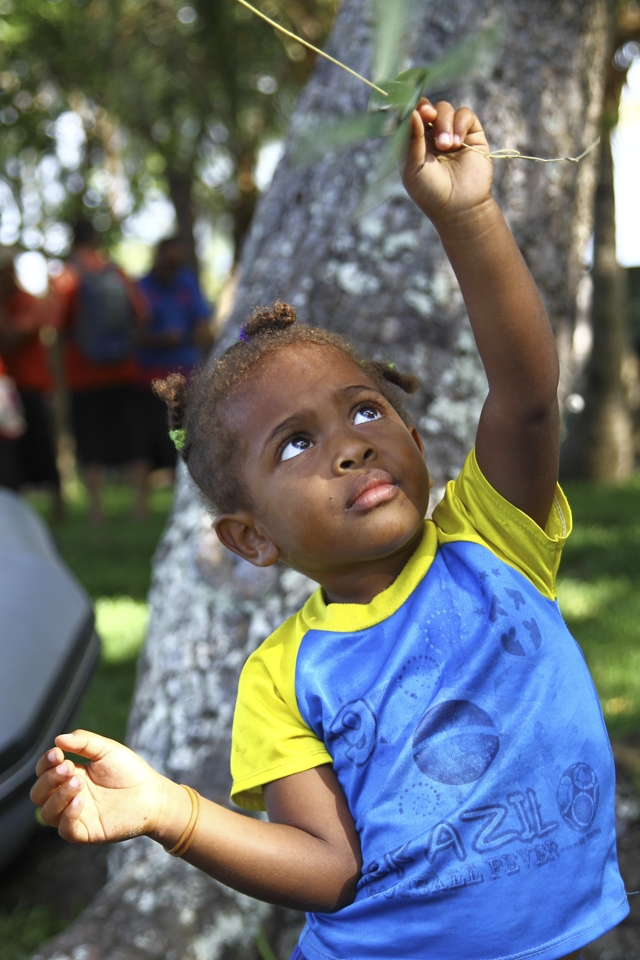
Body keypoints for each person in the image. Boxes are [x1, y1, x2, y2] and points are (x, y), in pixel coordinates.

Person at [31, 100, 628, 960]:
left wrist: (467, 215)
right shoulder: (282, 678)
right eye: (297, 443)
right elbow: (327, 869)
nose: (350, 444)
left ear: (417, 441)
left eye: (365, 410)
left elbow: (529, 397)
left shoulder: (489, 545)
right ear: (251, 539)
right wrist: (170, 811)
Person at [53, 220, 147, 523]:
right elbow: (142, 314)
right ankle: (141, 507)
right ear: (95, 239)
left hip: (83, 376)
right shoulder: (115, 272)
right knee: (134, 438)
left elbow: (55, 324)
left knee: (90, 442)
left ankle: (97, 511)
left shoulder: (68, 277)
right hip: (123, 371)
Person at [134, 237, 212, 508]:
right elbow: (133, 333)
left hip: (186, 375)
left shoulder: (187, 283)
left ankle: (195, 500)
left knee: (187, 439)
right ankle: (141, 505)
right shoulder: (140, 288)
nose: (172, 262)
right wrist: (160, 339)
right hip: (151, 379)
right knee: (146, 442)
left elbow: (202, 324)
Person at [0, 250, 63, 517]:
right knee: (12, 452)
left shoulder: (28, 302)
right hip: (6, 389)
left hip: (30, 386)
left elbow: (17, 335)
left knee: (42, 445)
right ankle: (16, 509)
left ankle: (58, 502)